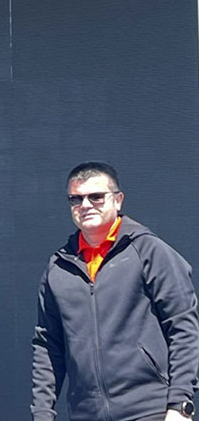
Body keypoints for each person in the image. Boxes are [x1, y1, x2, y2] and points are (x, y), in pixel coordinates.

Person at [31, 162, 199, 421]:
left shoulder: (149, 251)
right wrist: (42, 414)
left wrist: (180, 405)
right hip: (85, 414)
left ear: (118, 200)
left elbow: (183, 327)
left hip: (151, 411)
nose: (85, 205)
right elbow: (47, 346)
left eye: (96, 197)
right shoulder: (58, 268)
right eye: (76, 199)